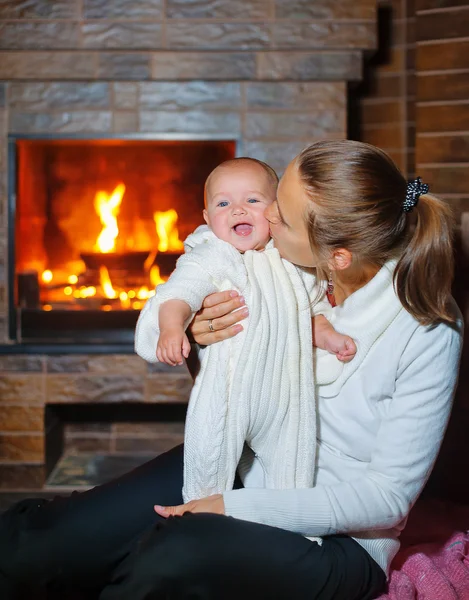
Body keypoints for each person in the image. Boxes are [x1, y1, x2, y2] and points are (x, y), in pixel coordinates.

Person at [0, 140, 463, 600]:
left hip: (340, 539)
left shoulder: (427, 330)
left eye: (279, 213)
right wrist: (199, 334)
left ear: (336, 255)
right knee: (47, 542)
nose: (264, 217)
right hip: (241, 460)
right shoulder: (273, 259)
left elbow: (385, 499)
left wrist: (233, 506)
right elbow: (189, 318)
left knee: (171, 557)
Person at [136, 157, 355, 505]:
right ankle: (200, 519)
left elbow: (312, 311)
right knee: (208, 461)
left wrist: (330, 337)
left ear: (276, 212)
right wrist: (172, 327)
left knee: (292, 471)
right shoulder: (211, 257)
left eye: (252, 200)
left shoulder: (293, 262)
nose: (238, 209)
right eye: (223, 203)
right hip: (224, 396)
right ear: (208, 218)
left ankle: (287, 525)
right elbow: (177, 294)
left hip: (287, 396)